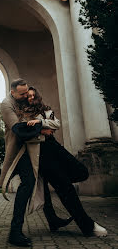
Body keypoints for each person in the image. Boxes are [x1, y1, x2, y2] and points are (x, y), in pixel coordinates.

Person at [10, 85, 108, 240]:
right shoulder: (23, 114)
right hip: (42, 153)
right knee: (65, 188)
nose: (30, 98)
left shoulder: (46, 111)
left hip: (54, 147)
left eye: (33, 95)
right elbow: (22, 130)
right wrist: (41, 128)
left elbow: (55, 124)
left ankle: (55, 215)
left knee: (82, 171)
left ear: (38, 96)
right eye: (28, 96)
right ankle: (87, 226)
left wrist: (40, 124)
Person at [0, 79, 72, 247]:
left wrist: (43, 123)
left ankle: (52, 219)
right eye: (22, 94)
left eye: (27, 93)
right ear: (13, 93)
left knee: (42, 179)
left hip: (33, 148)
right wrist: (42, 129)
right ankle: (15, 231)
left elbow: (38, 114)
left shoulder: (23, 100)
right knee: (29, 183)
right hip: (19, 151)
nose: (26, 96)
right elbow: (19, 130)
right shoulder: (6, 105)